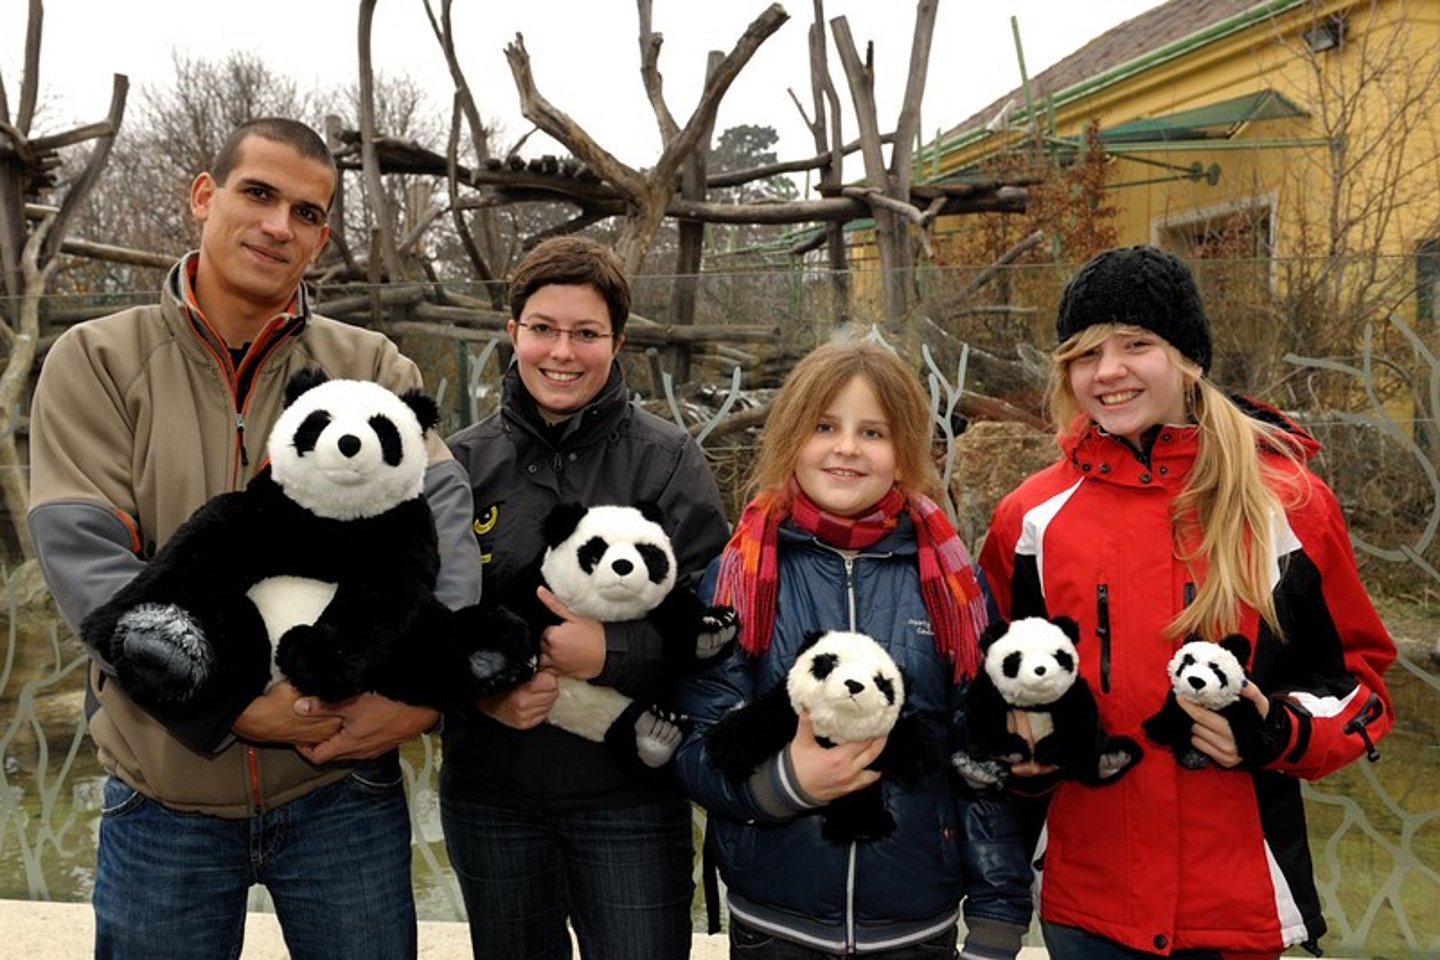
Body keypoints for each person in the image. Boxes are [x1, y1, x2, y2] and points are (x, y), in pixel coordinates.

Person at [27, 117, 482, 959]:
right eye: (259, 194)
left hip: (343, 787)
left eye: (308, 213)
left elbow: (442, 534)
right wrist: (231, 705)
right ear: (205, 195)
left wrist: (422, 695)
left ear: (322, 237)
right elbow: (91, 566)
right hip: (167, 792)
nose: (280, 225)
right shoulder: (95, 360)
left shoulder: (373, 367)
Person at [978, 245, 1396, 959]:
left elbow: (1360, 686)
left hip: (1234, 903)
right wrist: (1014, 754)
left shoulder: (1286, 505)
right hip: (1086, 902)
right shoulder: (1030, 518)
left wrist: (1277, 732)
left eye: (1136, 345)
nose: (1107, 371)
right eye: (1085, 354)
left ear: (1190, 358)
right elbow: (991, 675)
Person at [673, 336, 1033, 960]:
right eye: (824, 426)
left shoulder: (954, 584)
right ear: (792, 437)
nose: (846, 448)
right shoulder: (739, 573)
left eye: (873, 432)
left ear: (905, 450)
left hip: (917, 924)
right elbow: (699, 744)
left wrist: (999, 915)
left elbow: (983, 760)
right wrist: (787, 783)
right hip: (775, 921)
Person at [442, 235, 730, 960]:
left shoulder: (667, 462)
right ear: (512, 333)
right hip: (491, 793)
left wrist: (612, 652)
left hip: (626, 796)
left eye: (586, 333)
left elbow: (717, 627)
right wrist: (480, 693)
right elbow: (419, 623)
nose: (561, 352)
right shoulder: (459, 465)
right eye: (542, 329)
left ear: (618, 341)